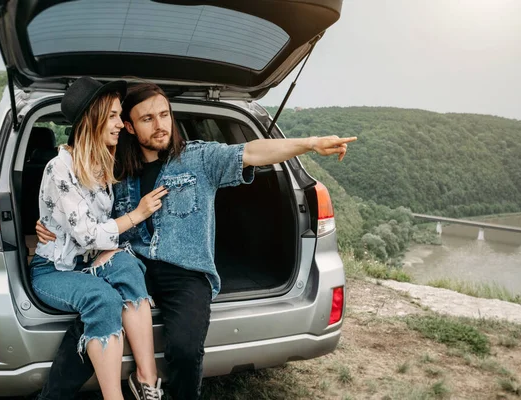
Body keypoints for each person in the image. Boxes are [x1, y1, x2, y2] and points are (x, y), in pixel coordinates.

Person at [36, 81, 357, 400]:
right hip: (132, 261)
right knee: (97, 308)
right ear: (131, 128)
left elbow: (252, 151)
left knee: (185, 349)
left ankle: (157, 387)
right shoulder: (115, 166)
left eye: (164, 115)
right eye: (147, 118)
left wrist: (311, 143)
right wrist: (42, 225)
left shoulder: (199, 157)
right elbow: (79, 206)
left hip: (184, 271)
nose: (160, 125)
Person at [31, 77, 166, 400]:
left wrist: (113, 251)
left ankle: (146, 381)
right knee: (103, 299)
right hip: (54, 270)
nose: (121, 124)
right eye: (114, 116)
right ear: (93, 119)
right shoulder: (58, 168)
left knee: (128, 268)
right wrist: (138, 213)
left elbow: (98, 229)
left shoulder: (103, 163)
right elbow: (89, 233)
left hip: (87, 261)